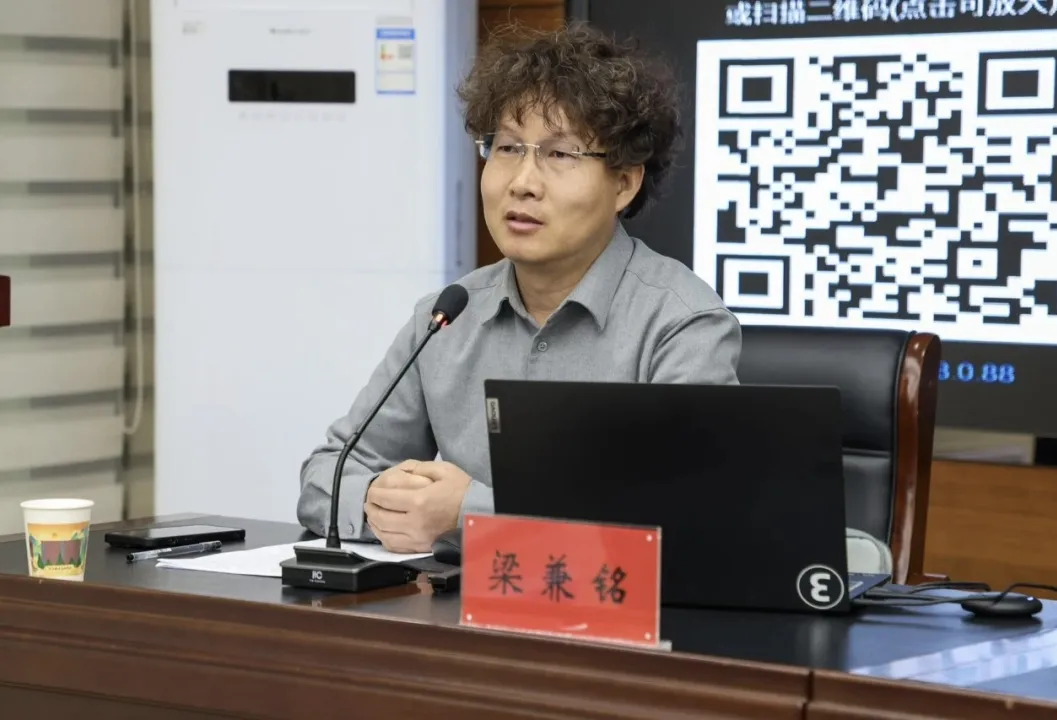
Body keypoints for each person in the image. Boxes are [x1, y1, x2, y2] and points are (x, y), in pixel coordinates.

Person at [297, 23, 742, 553]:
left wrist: (466, 514)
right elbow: (327, 474)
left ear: (624, 183)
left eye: (560, 154)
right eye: (507, 148)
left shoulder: (681, 324)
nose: (522, 182)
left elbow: (684, 515)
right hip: (456, 603)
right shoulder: (447, 316)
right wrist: (384, 503)